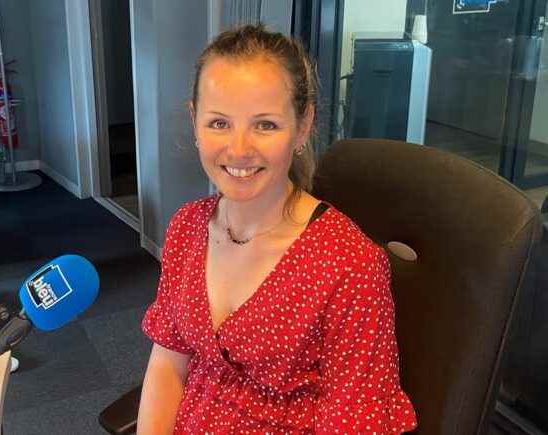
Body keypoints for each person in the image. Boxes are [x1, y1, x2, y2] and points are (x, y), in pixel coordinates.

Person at [137, 24, 417, 434]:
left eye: (265, 125)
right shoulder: (187, 226)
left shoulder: (350, 266)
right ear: (195, 121)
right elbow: (167, 363)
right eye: (219, 123)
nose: (238, 149)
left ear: (302, 127)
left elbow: (355, 423)